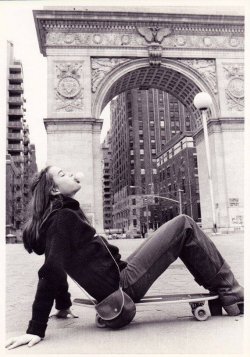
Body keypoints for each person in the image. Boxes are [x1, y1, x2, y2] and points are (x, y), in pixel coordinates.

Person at [5, 166, 244, 350]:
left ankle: (224, 289)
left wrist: (64, 305)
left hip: (119, 274)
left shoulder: (58, 218)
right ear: (55, 190)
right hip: (122, 284)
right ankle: (229, 291)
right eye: (63, 174)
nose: (71, 173)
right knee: (184, 224)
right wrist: (35, 329)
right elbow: (51, 270)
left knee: (181, 226)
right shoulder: (62, 218)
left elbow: (55, 261)